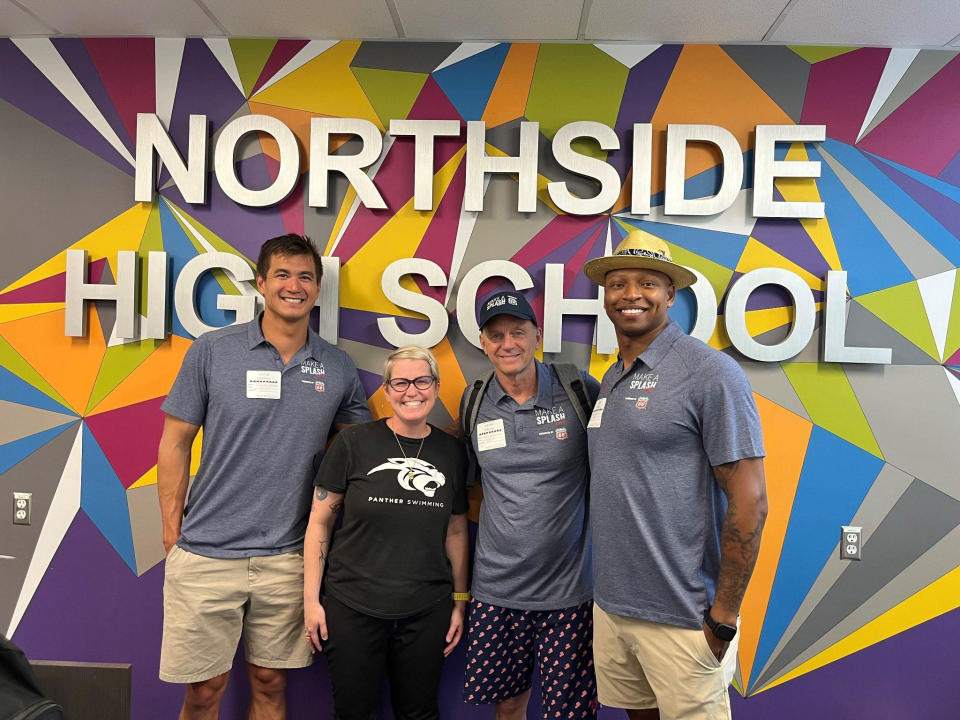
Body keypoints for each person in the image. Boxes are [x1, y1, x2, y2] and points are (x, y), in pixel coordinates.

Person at [156, 234, 371, 720]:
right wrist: (172, 531)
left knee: (272, 683)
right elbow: (174, 443)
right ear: (260, 282)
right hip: (207, 550)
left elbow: (360, 447)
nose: (293, 286)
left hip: (288, 557)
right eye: (282, 274)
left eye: (305, 277)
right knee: (205, 689)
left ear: (317, 289)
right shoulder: (213, 351)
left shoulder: (336, 366)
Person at [582, 229, 768, 720]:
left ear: (670, 294)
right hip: (613, 607)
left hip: (684, 617)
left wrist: (723, 618)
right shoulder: (612, 377)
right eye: (618, 283)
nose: (630, 294)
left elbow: (750, 499)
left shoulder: (709, 372)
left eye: (647, 282)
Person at [304, 345, 470, 720]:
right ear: (387, 389)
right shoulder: (353, 443)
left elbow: (457, 530)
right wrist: (311, 600)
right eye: (400, 382)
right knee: (354, 712)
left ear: (436, 385)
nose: (412, 390)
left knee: (419, 713)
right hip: (352, 606)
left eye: (422, 380)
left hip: (427, 610)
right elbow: (320, 522)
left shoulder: (452, 453)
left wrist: (460, 600)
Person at [459, 290, 600, 720]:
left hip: (570, 594)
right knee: (508, 708)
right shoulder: (475, 399)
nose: (508, 344)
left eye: (518, 332)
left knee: (571, 713)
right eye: (496, 335)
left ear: (537, 335)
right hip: (496, 592)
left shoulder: (578, 389)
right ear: (483, 342)